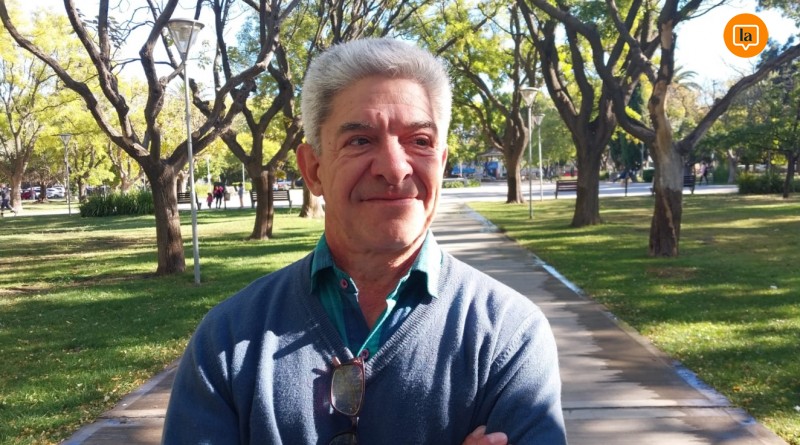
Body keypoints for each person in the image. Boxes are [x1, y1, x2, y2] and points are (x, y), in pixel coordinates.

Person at [163, 38, 566, 445]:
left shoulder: (508, 336)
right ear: (313, 170)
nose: (394, 168)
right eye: (360, 140)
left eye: (420, 141)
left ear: (441, 164)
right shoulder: (227, 342)